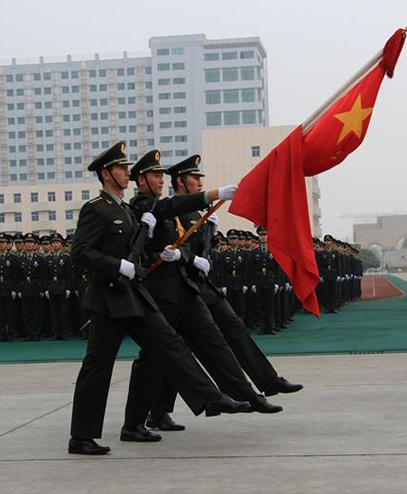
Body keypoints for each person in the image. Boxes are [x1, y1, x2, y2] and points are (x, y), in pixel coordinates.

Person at [69, 142, 250, 456]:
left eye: (127, 168)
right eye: (122, 168)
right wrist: (118, 265)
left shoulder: (126, 210)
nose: (127, 173)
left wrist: (214, 194)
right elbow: (81, 252)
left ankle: (210, 397)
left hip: (132, 295)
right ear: (106, 173)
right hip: (106, 300)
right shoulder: (95, 208)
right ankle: (82, 437)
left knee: (169, 343)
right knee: (98, 367)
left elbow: (168, 208)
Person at [143, 156, 302, 432]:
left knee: (231, 328)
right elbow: (169, 247)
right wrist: (190, 256)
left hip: (199, 285)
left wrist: (210, 235)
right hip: (179, 287)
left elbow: (201, 250)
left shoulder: (196, 213)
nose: (200, 182)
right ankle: (157, 412)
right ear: (180, 181)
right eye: (196, 178)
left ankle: (264, 382)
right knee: (171, 353)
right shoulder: (173, 208)